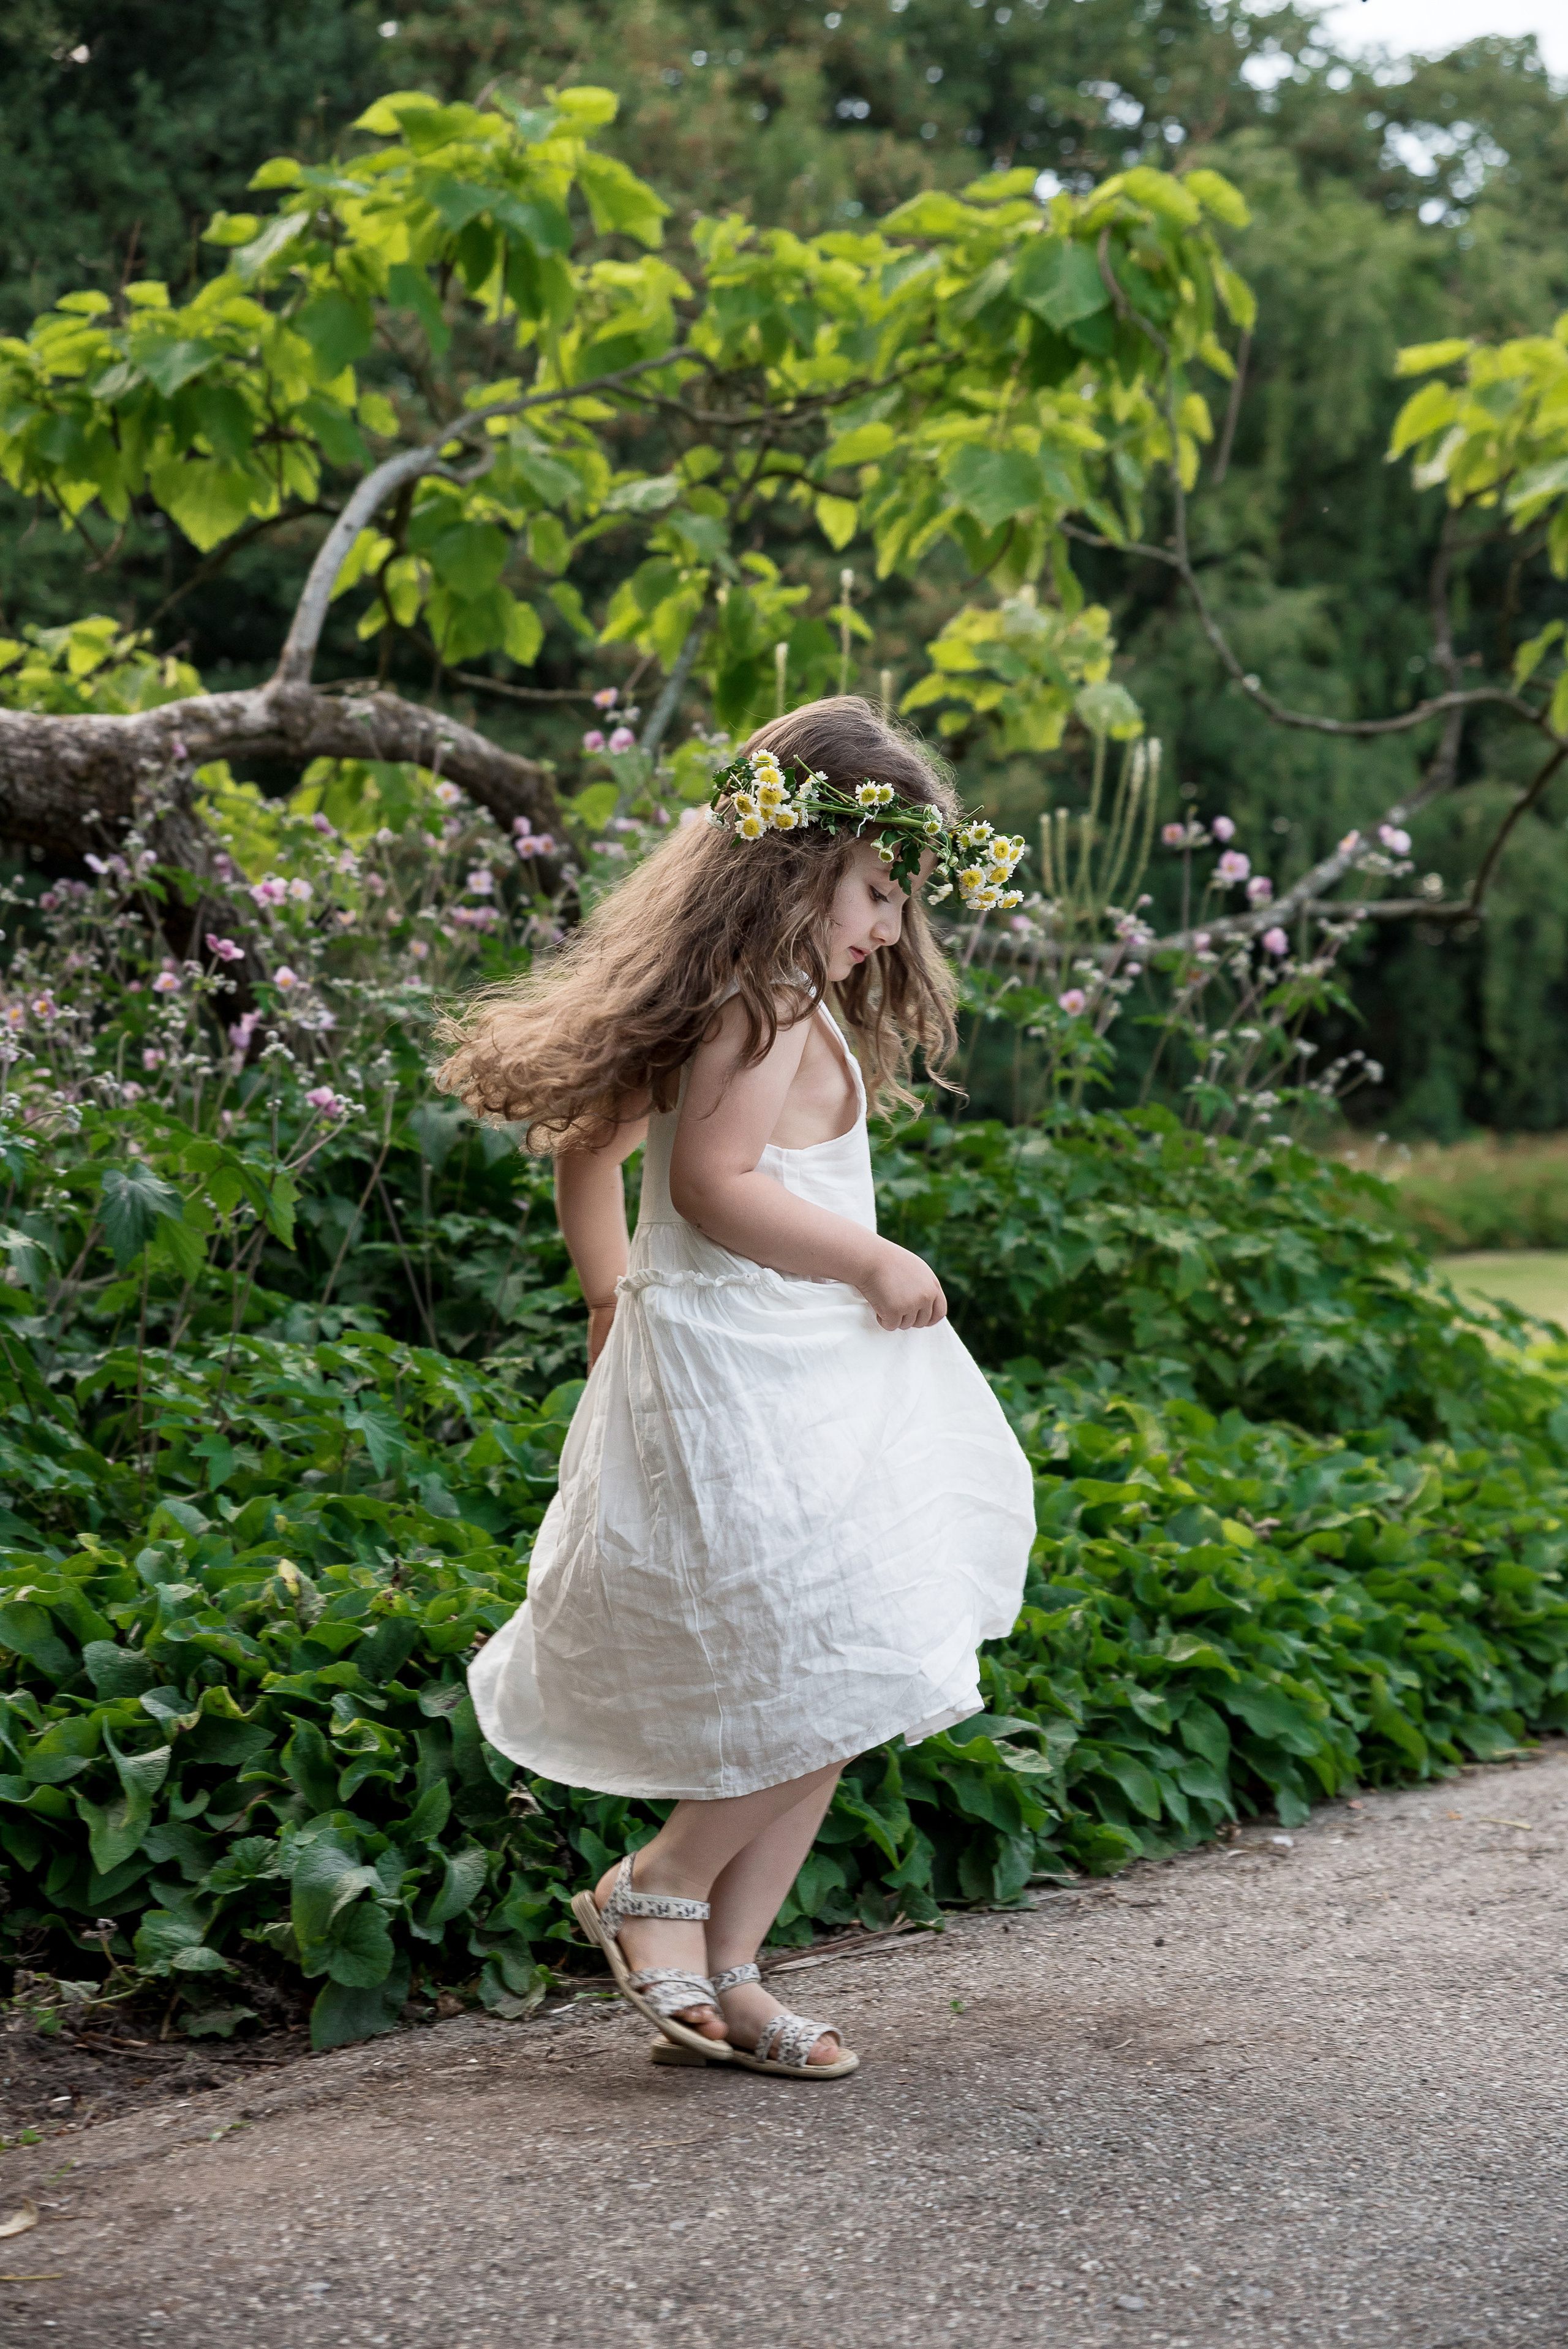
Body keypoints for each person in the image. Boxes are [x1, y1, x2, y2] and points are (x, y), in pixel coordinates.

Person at [435, 697, 1035, 2079]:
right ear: (796, 861)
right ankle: (651, 1891)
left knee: (840, 1663)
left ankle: (727, 1963)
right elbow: (709, 1188)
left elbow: (594, 1148)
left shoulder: (778, 998)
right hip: (748, 1376)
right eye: (877, 891)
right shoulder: (761, 1002)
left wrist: (608, 1291)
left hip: (802, 1379)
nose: (888, 928)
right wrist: (867, 1257)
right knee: (849, 1661)